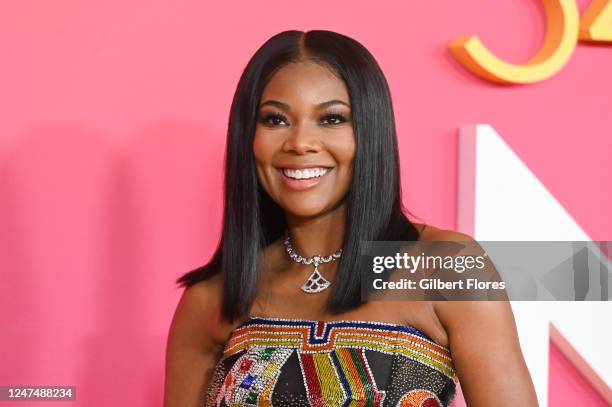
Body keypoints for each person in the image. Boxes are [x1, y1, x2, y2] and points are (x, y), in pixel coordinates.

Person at [163, 30, 538, 407]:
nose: (300, 142)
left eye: (331, 118)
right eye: (275, 120)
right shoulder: (211, 297)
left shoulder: (447, 266)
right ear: (248, 136)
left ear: (370, 131)